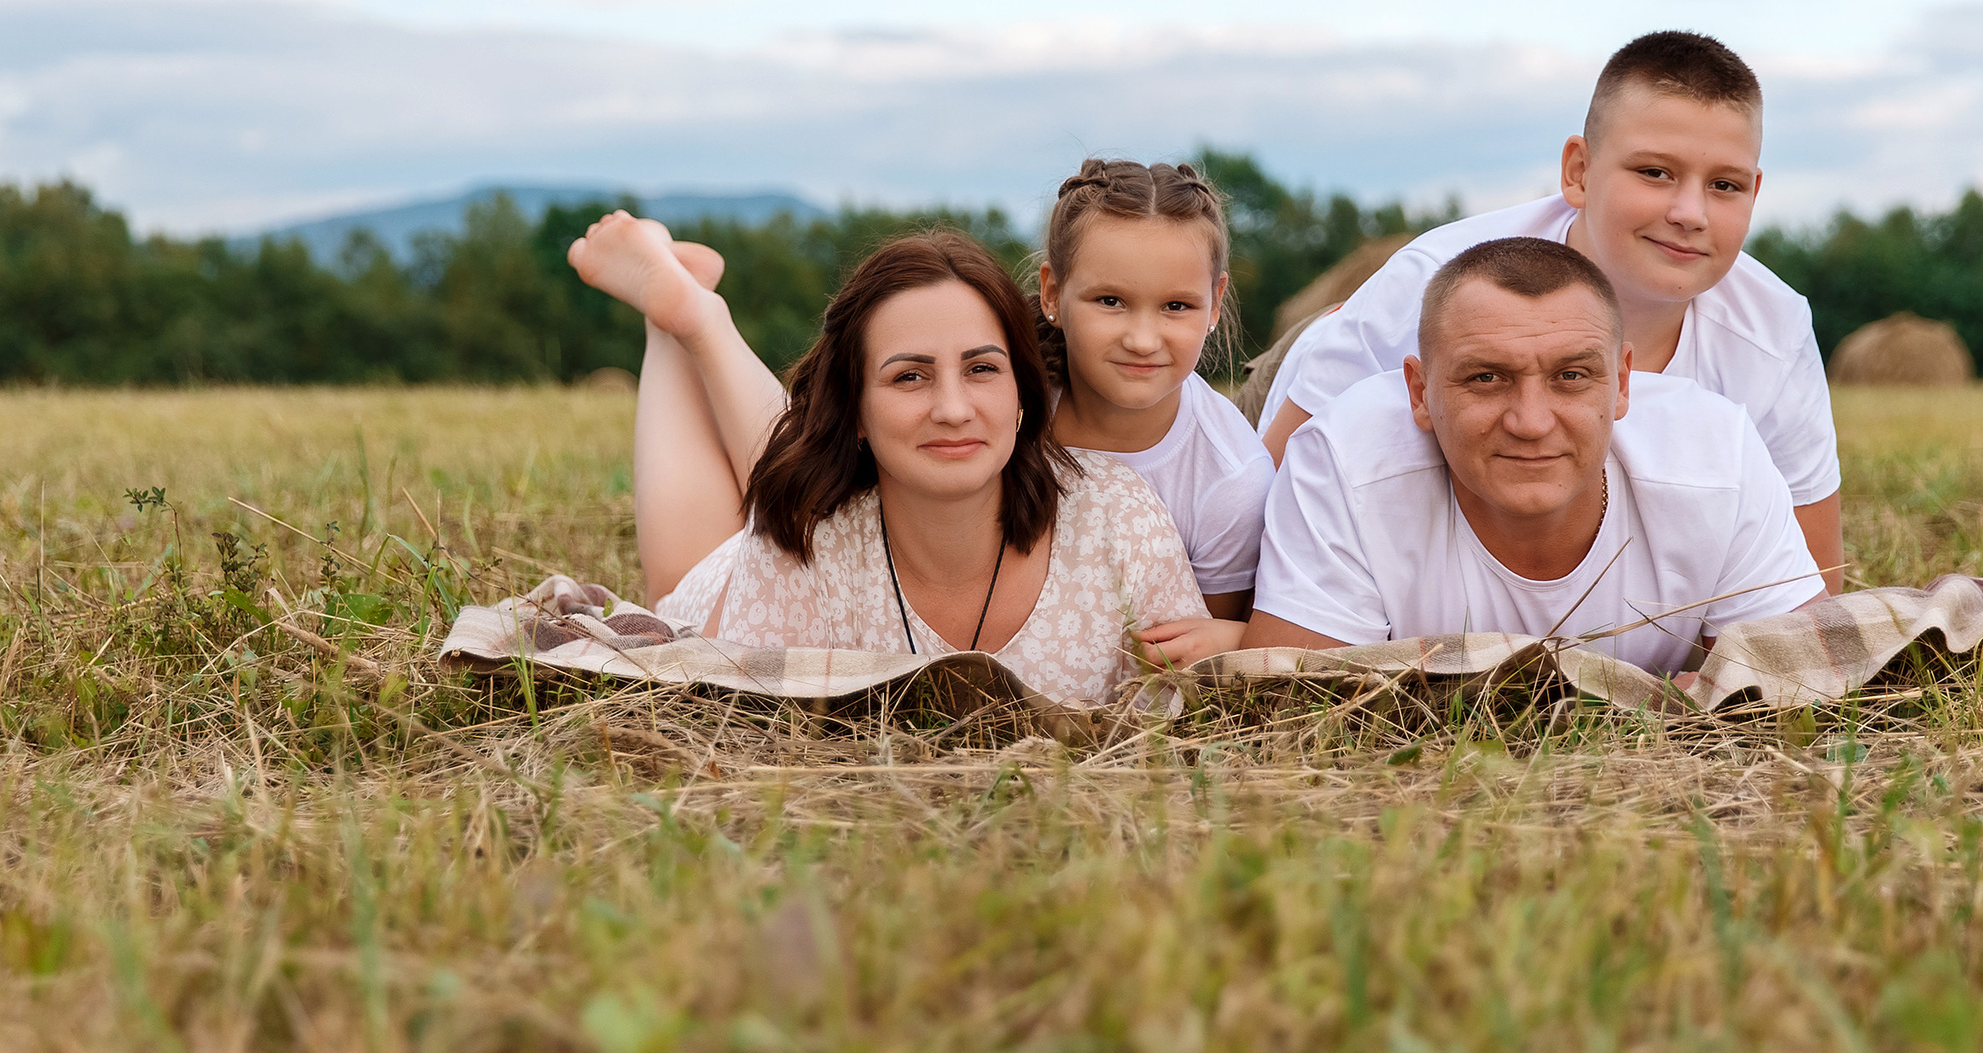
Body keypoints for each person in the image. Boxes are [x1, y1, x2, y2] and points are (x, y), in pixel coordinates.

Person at [1256, 30, 1845, 593]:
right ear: (1579, 172)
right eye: (1655, 173)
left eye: (1725, 186)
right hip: (1309, 365)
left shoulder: (1774, 331)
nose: (1690, 212)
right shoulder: (1434, 282)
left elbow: (1811, 582)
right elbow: (1268, 494)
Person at [568, 220, 1203, 705]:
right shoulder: (803, 541)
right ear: (858, 412)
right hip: (737, 589)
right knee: (674, 585)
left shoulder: (1120, 521)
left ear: (1022, 395)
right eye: (909, 378)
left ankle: (693, 314)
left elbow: (1198, 704)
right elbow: (755, 738)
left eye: (982, 369)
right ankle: (678, 321)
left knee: (788, 476)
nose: (954, 409)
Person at [1228, 237, 1824, 678]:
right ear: (1420, 393)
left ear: (1621, 384)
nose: (1531, 422)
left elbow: (1806, 675)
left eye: (1571, 376)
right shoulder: (1343, 462)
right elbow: (1294, 702)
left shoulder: (1718, 458)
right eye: (1486, 378)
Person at [1034, 160, 1271, 645]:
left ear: (1216, 301)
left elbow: (1191, 646)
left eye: (1176, 306)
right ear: (1052, 293)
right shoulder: (1006, 412)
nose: (1143, 340)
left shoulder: (1231, 481)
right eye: (1110, 301)